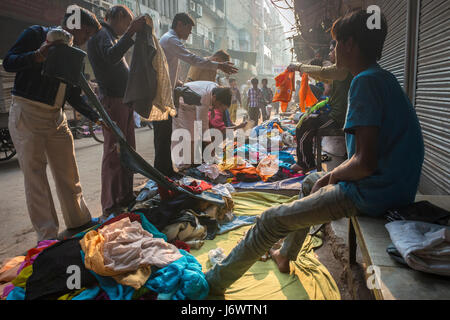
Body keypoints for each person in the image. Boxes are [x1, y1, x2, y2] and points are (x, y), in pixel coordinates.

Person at [205, 9, 424, 295]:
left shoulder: (365, 82)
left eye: (334, 45)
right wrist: (327, 177)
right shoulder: (382, 77)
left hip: (374, 193)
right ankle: (285, 255)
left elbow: (364, 162)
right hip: (394, 188)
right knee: (310, 181)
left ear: (349, 45)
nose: (332, 52)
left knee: (270, 220)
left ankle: (210, 285)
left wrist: (332, 176)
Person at [3, 6, 103, 241]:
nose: (86, 40)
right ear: (76, 25)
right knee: (36, 177)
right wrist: (38, 55)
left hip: (56, 117)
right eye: (86, 34)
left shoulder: (74, 55)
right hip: (28, 113)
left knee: (68, 171)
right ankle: (47, 235)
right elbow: (9, 62)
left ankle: (79, 219)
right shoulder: (36, 34)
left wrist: (97, 117)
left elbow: (73, 95)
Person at [157, 13, 238, 177]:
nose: (189, 34)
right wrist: (218, 66)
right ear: (180, 24)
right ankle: (177, 167)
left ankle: (179, 166)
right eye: (189, 29)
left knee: (185, 134)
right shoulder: (170, 39)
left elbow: (172, 68)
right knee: (180, 135)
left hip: (178, 94)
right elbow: (192, 59)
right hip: (177, 98)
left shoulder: (213, 88)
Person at [87, 5, 146, 218]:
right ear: (118, 16)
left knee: (128, 150)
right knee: (114, 153)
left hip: (124, 100)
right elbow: (112, 57)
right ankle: (111, 205)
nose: (127, 27)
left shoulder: (109, 35)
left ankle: (125, 196)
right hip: (113, 100)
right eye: (127, 23)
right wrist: (131, 33)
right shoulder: (102, 34)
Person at [288, 40, 354, 174]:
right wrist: (307, 72)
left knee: (304, 125)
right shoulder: (341, 69)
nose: (330, 53)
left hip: (338, 118)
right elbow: (324, 77)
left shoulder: (342, 68)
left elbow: (323, 73)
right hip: (335, 114)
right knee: (305, 120)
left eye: (332, 50)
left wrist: (298, 66)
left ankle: (305, 163)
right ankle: (307, 161)